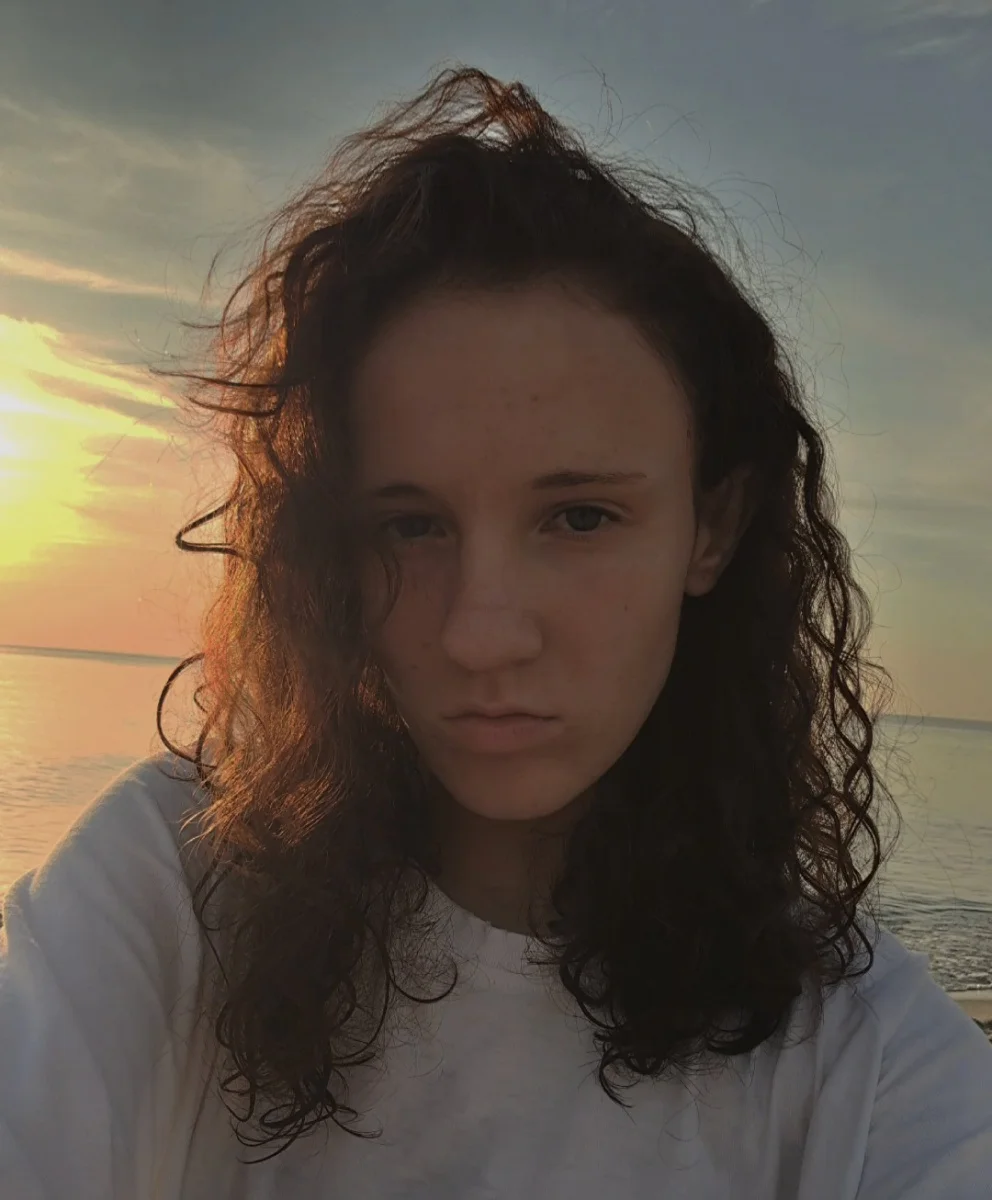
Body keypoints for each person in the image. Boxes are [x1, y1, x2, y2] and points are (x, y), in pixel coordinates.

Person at [1, 64, 990, 1200]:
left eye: (580, 517)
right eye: (410, 525)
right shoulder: (171, 891)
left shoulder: (864, 1066)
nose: (480, 635)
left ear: (711, 527)